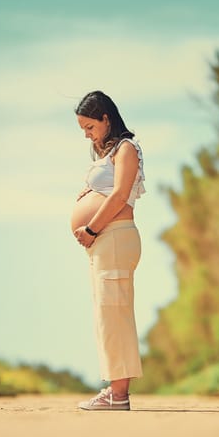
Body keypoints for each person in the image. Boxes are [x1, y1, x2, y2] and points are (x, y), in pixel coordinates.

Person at [70, 90, 145, 411]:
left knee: (114, 315)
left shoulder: (126, 148)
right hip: (105, 242)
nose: (87, 134)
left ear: (106, 118)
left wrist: (91, 228)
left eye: (90, 127)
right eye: (82, 129)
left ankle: (118, 394)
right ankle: (114, 391)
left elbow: (119, 196)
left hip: (113, 237)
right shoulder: (107, 152)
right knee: (106, 315)